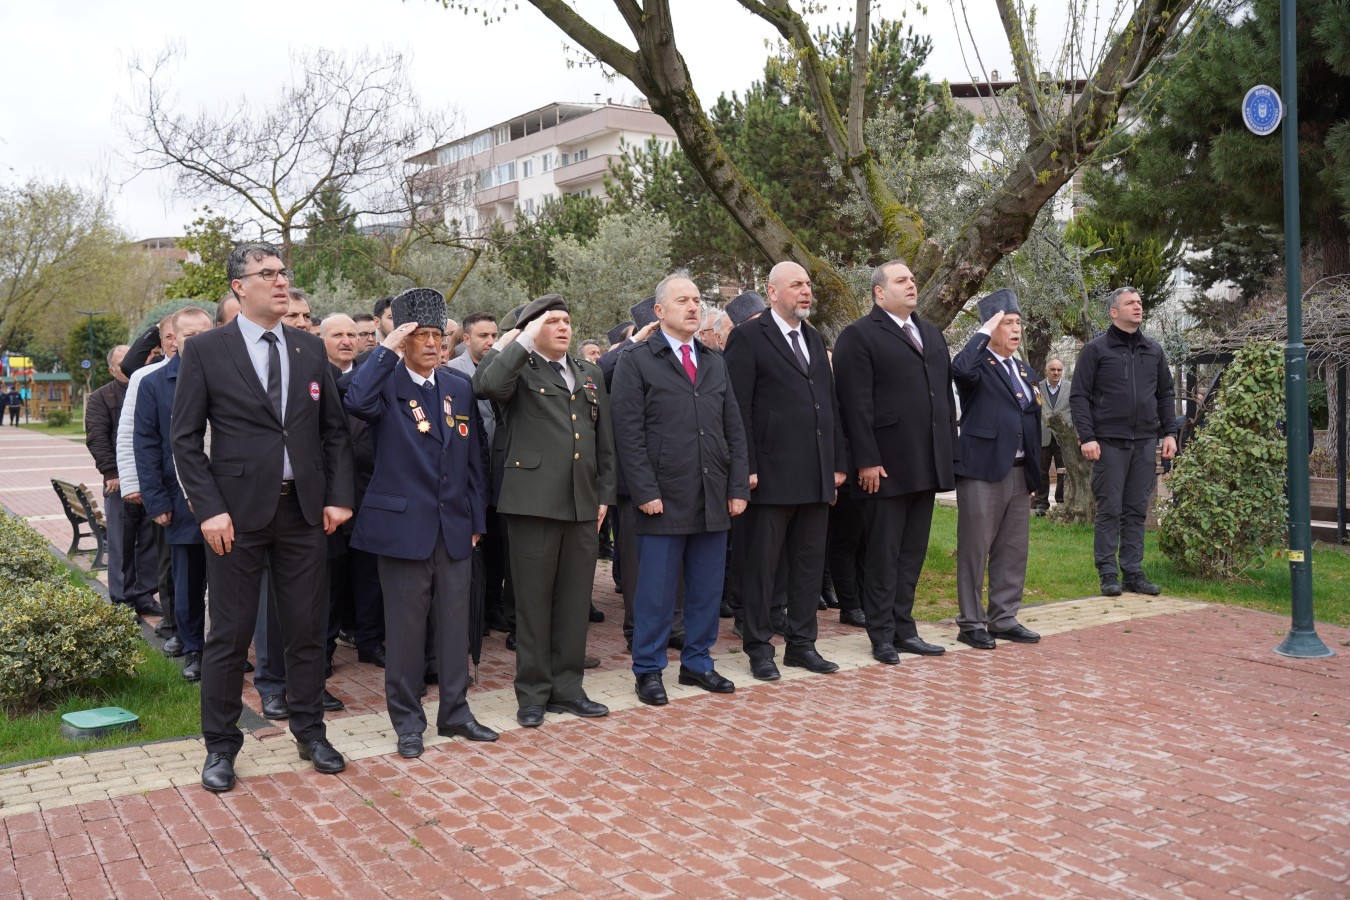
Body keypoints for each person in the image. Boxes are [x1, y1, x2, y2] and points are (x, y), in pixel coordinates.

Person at [171, 242, 354, 793]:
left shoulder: (307, 348)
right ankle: (221, 746)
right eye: (267, 274)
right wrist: (210, 510)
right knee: (228, 636)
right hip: (235, 518)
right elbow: (184, 441)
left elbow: (334, 432)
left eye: (283, 273)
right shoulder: (206, 351)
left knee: (304, 629)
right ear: (239, 287)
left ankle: (310, 732)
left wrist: (337, 495)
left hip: (301, 513)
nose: (280, 282)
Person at [345, 288, 497, 758]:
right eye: (421, 336)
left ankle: (455, 712)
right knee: (407, 634)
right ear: (404, 341)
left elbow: (474, 458)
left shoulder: (457, 386)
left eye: (438, 335)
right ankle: (408, 721)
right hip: (403, 530)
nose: (432, 344)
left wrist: (476, 518)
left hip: (454, 528)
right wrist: (385, 352)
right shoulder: (386, 383)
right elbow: (356, 400)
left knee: (456, 628)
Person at [473, 294, 616, 729]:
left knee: (574, 601)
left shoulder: (589, 372)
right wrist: (519, 340)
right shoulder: (518, 368)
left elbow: (603, 441)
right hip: (533, 502)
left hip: (581, 503)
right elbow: (484, 385)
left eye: (567, 320)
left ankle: (568, 689)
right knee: (533, 604)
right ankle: (533, 693)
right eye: (551, 321)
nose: (563, 327)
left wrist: (605, 495)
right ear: (533, 329)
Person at [611, 272, 749, 705]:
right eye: (682, 300)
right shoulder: (638, 360)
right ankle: (649, 669)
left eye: (696, 300)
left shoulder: (713, 361)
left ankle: (697, 663)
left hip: (711, 493)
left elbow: (733, 429)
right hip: (661, 497)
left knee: (707, 586)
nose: (693, 307)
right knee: (656, 591)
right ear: (659, 311)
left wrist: (738, 485)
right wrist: (644, 490)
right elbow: (627, 434)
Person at [724, 262, 847, 680]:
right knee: (763, 566)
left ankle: (801, 644)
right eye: (797, 285)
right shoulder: (747, 337)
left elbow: (829, 405)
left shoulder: (814, 338)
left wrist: (837, 463)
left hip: (814, 475)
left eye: (808, 284)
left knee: (809, 565)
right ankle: (759, 647)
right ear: (772, 292)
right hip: (769, 475)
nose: (806, 291)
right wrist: (747, 467)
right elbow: (736, 408)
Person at [833, 259, 956, 663]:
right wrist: (866, 460)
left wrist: (946, 455)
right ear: (879, 292)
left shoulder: (931, 333)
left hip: (925, 462)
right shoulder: (859, 335)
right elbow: (855, 404)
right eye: (901, 280)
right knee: (883, 553)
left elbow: (940, 398)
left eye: (913, 279)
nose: (911, 284)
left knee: (912, 552)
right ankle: (881, 633)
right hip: (883, 466)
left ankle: (905, 628)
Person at [1070, 286, 1177, 597]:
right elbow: (1079, 396)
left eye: (1140, 302)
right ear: (1114, 312)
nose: (1137, 307)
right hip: (1108, 443)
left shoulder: (1153, 350)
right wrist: (1087, 436)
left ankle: (1132, 572)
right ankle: (1107, 573)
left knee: (1136, 509)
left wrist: (1169, 432)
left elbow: (1165, 394)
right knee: (1110, 509)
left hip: (1144, 442)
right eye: (1130, 303)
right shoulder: (1096, 350)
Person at [951, 290, 1043, 650]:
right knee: (975, 547)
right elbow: (960, 369)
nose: (1016, 329)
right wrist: (984, 332)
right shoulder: (977, 366)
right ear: (990, 327)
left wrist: (1034, 473)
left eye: (1018, 322)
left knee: (1013, 548)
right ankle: (971, 622)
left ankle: (1003, 618)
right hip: (982, 470)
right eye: (1008, 322)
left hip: (1019, 471)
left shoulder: (1022, 369)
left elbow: (1032, 422)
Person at [135, 307, 214, 681]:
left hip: (231, 496)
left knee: (230, 583)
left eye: (205, 333)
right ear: (174, 340)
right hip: (180, 500)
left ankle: (225, 648)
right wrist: (157, 500)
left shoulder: (229, 373)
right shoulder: (155, 383)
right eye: (189, 335)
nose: (198, 340)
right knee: (187, 582)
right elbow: (146, 445)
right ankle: (194, 649)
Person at [446, 312, 511, 638]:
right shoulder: (451, 373)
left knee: (498, 543)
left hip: (501, 472)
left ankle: (493, 606)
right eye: (483, 336)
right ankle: (472, 612)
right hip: (468, 474)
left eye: (494, 335)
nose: (490, 341)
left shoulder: (504, 369)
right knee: (474, 544)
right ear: (466, 339)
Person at [85, 345, 160, 618]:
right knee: (122, 542)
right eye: (121, 365)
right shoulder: (100, 397)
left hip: (151, 479)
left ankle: (144, 595)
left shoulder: (149, 387)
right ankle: (121, 599)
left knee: (150, 542)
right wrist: (111, 473)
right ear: (111, 370)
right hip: (118, 481)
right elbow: (97, 438)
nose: (129, 369)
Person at [1035, 357, 1070, 514]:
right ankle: (1041, 503)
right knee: (1041, 470)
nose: (1056, 373)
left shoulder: (1071, 387)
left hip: (1064, 436)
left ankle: (1061, 501)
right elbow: (1034, 409)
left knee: (1063, 469)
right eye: (1053, 370)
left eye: (1059, 370)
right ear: (1046, 371)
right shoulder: (1037, 387)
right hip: (1042, 435)